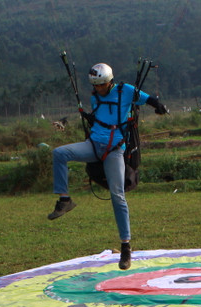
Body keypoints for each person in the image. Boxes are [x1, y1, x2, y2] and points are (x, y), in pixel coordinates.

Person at [48, 62, 168, 270]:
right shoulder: (95, 97)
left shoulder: (126, 91)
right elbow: (101, 118)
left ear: (109, 81)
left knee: (117, 195)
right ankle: (64, 200)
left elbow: (150, 99)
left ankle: (125, 247)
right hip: (93, 145)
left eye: (102, 86)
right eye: (96, 86)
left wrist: (159, 107)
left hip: (115, 149)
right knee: (59, 153)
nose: (99, 90)